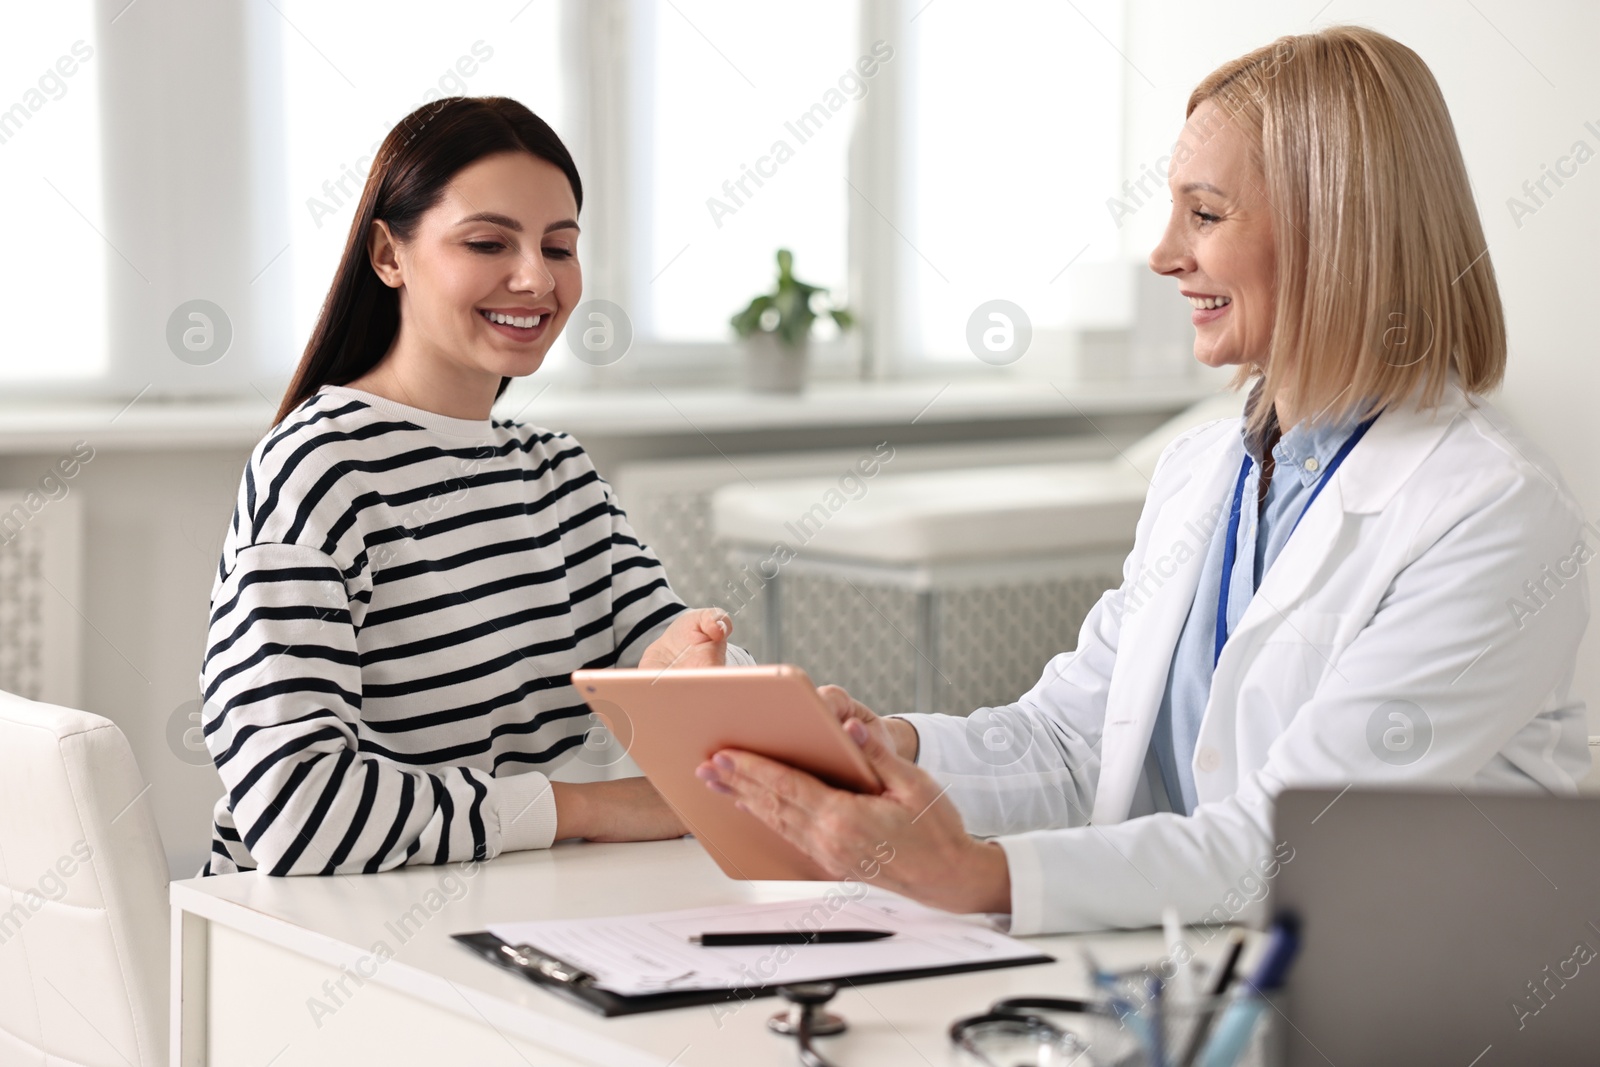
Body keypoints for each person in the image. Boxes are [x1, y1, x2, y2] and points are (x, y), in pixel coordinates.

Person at [697, 25, 1592, 934]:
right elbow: (1073, 740)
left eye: (1204, 215)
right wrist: (892, 748)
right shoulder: (1204, 470)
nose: (1165, 253)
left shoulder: (1494, 513)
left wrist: (975, 874)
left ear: (1338, 229)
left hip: (1400, 998)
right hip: (1183, 972)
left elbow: (1299, 840)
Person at [200, 97, 743, 877]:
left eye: (560, 247)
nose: (534, 278)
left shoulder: (557, 473)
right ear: (388, 255)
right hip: (302, 932)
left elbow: (661, 651)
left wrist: (691, 670)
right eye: (489, 241)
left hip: (503, 901)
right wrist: (588, 808)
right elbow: (296, 810)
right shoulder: (318, 468)